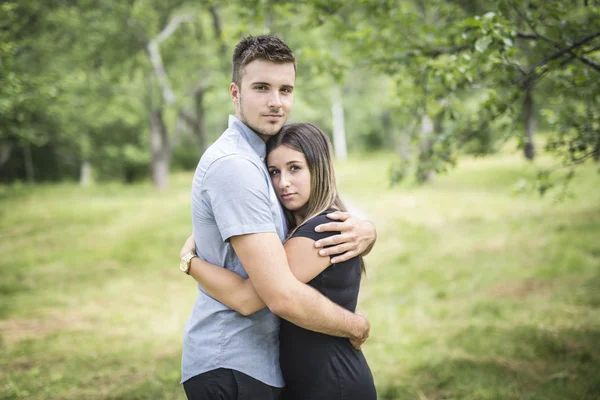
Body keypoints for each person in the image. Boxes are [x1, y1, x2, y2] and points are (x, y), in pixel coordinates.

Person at [178, 34, 377, 400]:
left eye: (286, 89)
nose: (276, 102)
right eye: (261, 88)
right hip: (233, 359)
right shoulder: (237, 166)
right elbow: (273, 296)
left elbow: (316, 208)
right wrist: (356, 324)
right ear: (235, 93)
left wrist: (367, 229)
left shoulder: (262, 158)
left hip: (259, 363)